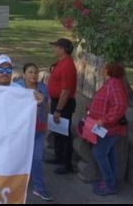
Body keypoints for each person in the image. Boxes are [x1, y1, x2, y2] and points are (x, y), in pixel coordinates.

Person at [87, 62, 129, 196]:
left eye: (104, 68)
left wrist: (104, 120)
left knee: (99, 152)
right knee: (108, 153)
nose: (101, 70)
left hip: (110, 128)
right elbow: (107, 102)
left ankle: (110, 184)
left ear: (109, 71)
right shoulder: (111, 83)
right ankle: (110, 181)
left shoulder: (114, 84)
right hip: (105, 127)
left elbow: (119, 106)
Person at [14, 63, 51, 201]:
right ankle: (14, 184)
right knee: (18, 158)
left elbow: (45, 106)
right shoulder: (17, 87)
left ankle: (39, 188)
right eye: (30, 72)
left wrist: (46, 124)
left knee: (37, 158)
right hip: (20, 131)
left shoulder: (42, 88)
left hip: (38, 130)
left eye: (35, 72)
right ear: (24, 74)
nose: (33, 75)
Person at [48, 38, 78, 175]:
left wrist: (59, 110)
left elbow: (65, 91)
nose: (54, 49)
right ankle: (59, 157)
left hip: (63, 104)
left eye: (56, 47)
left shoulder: (67, 65)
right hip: (57, 101)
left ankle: (67, 164)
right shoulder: (62, 63)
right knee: (58, 131)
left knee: (64, 134)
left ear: (63, 49)